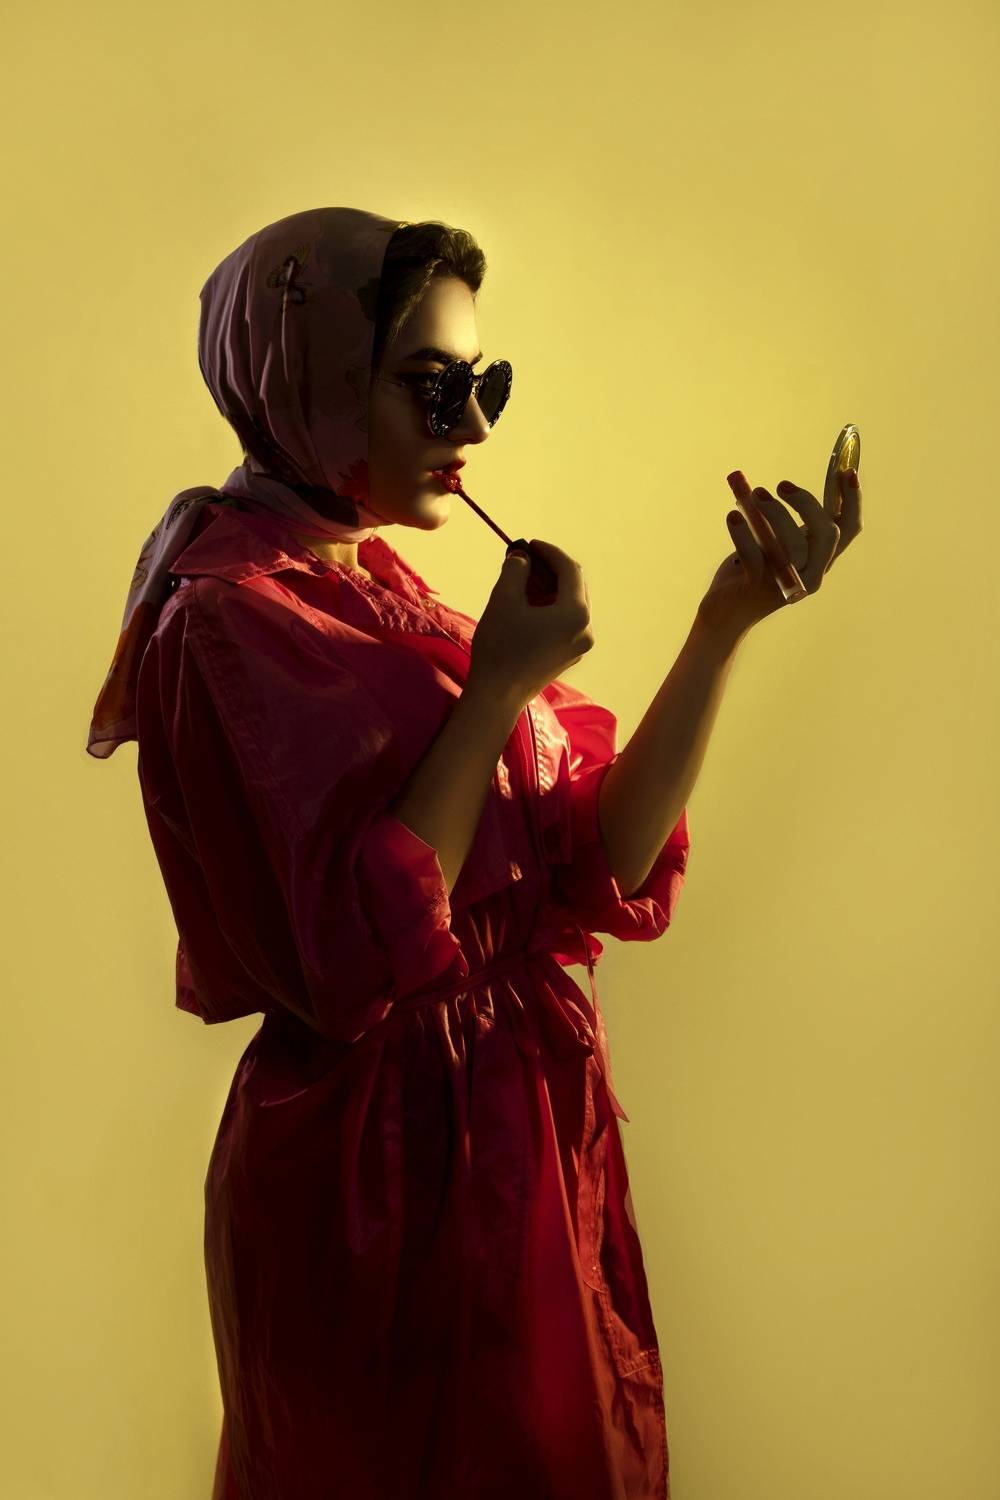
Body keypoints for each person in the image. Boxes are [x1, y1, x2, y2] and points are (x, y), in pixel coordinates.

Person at [86, 207, 691, 1500]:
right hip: (376, 1178)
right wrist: (494, 689)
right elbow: (351, 963)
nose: (472, 429)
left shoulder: (391, 596)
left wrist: (728, 621)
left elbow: (593, 865)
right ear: (309, 377)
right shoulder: (223, 624)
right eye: (430, 387)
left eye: (485, 385)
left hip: (524, 1148)